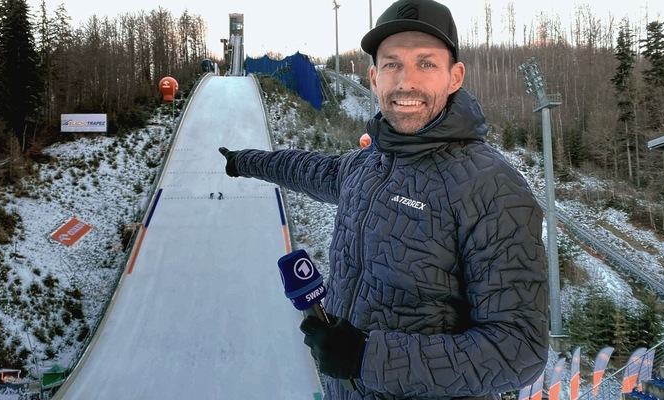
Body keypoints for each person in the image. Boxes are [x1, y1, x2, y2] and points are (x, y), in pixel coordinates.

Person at [218, 0, 548, 398]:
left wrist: (367, 358)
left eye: (426, 63)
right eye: (392, 64)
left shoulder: (491, 186)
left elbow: (519, 351)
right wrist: (243, 161)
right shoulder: (365, 167)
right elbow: (305, 168)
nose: (406, 81)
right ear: (374, 77)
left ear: (455, 76)